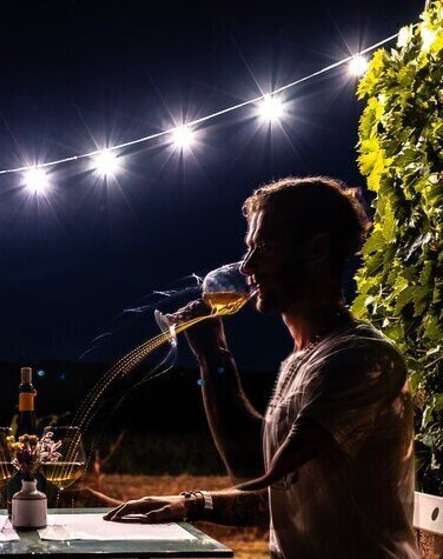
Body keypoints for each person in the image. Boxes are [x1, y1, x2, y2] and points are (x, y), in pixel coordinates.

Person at [105, 177, 418, 558]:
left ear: (316, 250)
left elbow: (259, 472)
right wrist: (188, 504)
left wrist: (214, 355)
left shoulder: (360, 359)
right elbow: (276, 483)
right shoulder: (300, 360)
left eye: (265, 247)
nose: (247, 266)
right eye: (249, 249)